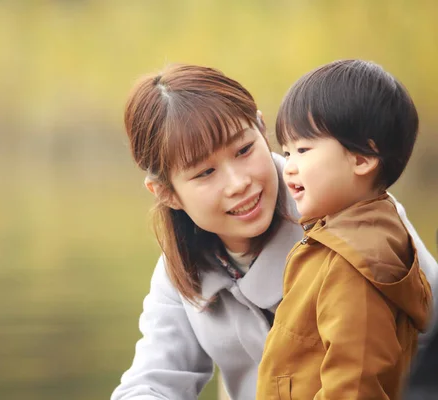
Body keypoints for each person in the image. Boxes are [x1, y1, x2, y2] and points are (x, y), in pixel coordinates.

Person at [110, 64, 438, 400]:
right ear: (166, 193)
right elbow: (151, 383)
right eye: (205, 172)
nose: (239, 184)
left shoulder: (355, 214)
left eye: (244, 150)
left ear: (261, 128)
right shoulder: (181, 267)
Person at [255, 59, 432, 399]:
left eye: (303, 150)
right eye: (286, 151)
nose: (288, 167)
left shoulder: (356, 263)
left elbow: (355, 386)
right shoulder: (340, 236)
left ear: (362, 159)